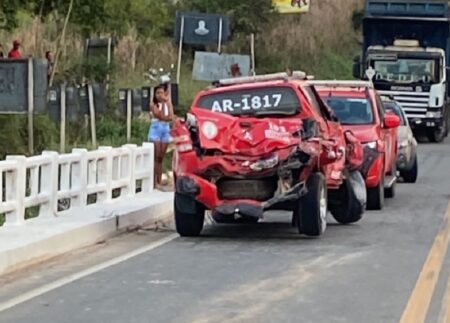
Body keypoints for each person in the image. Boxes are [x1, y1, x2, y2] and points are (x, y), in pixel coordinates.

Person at [148, 84, 174, 188]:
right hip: (156, 129)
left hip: (165, 129)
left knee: (161, 158)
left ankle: (159, 179)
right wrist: (163, 103)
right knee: (156, 156)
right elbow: (161, 116)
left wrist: (166, 103)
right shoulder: (153, 104)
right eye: (158, 93)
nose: (160, 95)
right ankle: (155, 181)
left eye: (162, 93)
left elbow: (170, 116)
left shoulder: (168, 103)